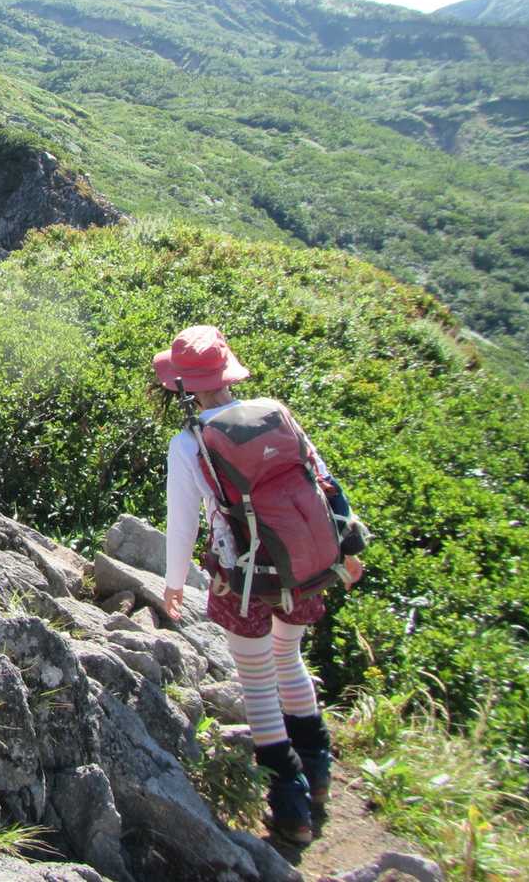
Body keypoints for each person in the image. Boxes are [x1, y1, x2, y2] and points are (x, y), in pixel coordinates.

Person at [153, 325, 363, 846]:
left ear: (183, 386)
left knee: (256, 681)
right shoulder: (275, 412)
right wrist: (349, 549)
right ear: (228, 374)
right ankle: (317, 772)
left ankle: (289, 804)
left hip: (242, 580)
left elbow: (183, 524)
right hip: (303, 567)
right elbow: (324, 481)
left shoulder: (189, 443)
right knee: (289, 658)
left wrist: (173, 584)